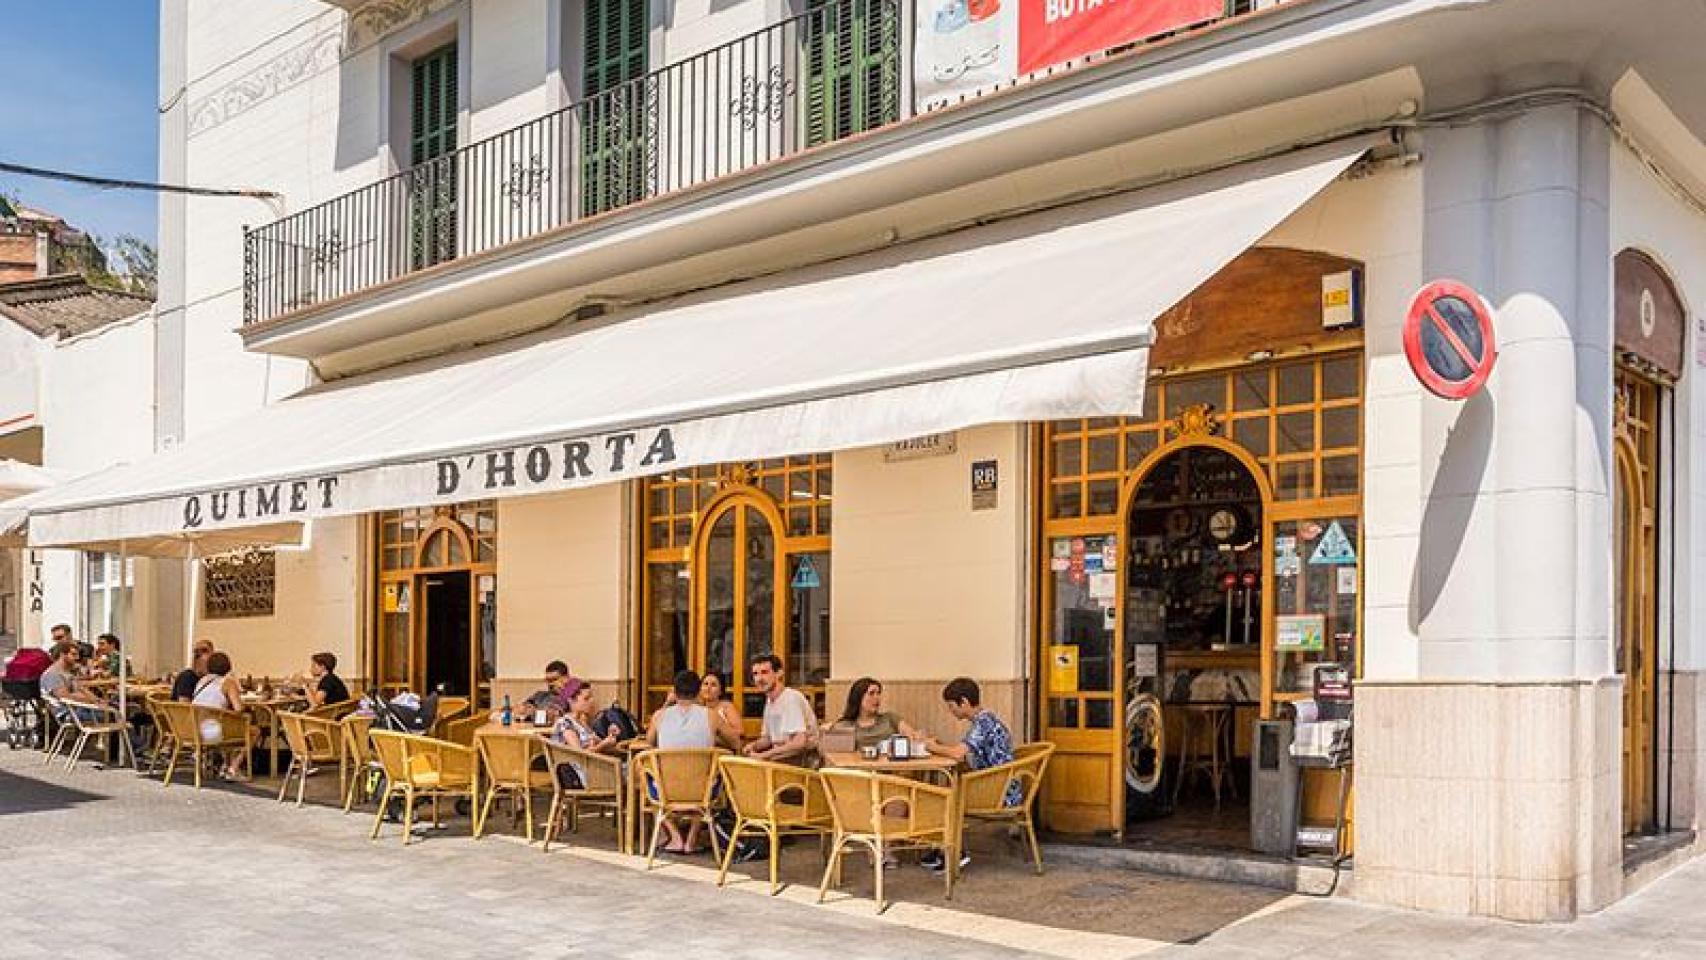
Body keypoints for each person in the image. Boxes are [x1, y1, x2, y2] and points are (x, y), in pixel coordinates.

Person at [922, 677, 1018, 872]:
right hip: (999, 786)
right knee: (944, 790)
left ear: (964, 702)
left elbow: (958, 753)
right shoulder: (987, 720)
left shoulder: (983, 723)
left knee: (942, 797)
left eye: (951, 706)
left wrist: (931, 746)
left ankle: (954, 853)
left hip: (999, 793)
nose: (950, 711)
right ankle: (941, 847)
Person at [646, 670, 737, 853]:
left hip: (665, 791)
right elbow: (735, 742)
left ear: (674, 691)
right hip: (703, 791)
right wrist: (712, 738)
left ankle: (675, 837)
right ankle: (692, 839)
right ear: (698, 692)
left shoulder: (659, 716)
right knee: (707, 778)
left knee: (642, 775)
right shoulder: (712, 716)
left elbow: (650, 742)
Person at [740, 654, 817, 764]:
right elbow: (768, 739)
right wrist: (753, 746)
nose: (759, 679)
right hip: (782, 760)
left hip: (801, 762)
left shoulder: (790, 698)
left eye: (764, 672)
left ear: (779, 673)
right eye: (755, 674)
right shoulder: (770, 701)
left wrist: (764, 755)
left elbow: (799, 743)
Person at [192, 651, 250, 780]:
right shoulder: (228, 682)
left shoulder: (201, 681)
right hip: (214, 732)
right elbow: (239, 709)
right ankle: (233, 768)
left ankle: (223, 764)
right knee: (253, 731)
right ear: (228, 667)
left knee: (229, 724)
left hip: (195, 729)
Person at [829, 677, 921, 751]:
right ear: (858, 697)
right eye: (871, 693)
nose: (877, 698)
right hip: (858, 767)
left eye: (878, 693)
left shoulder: (890, 718)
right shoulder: (845, 725)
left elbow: (912, 735)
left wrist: (915, 737)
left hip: (888, 766)